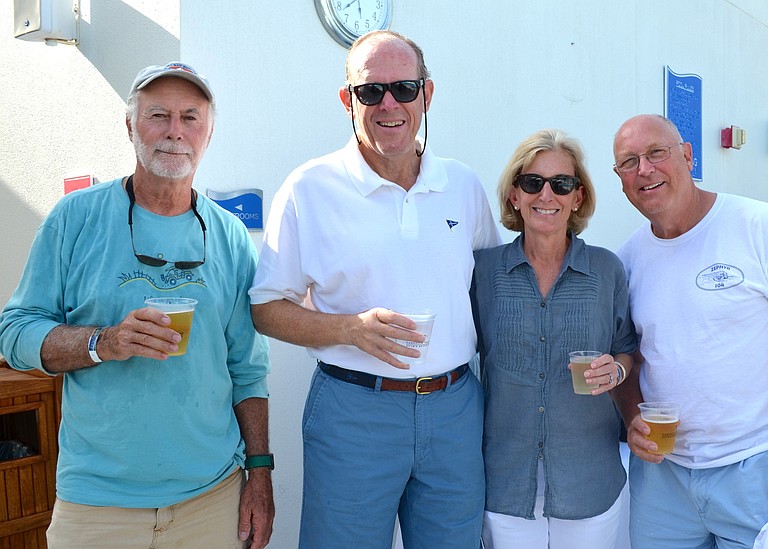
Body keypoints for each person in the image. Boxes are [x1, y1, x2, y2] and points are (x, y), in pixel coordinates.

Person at [0, 62, 274, 549]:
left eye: (191, 117)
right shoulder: (75, 219)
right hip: (97, 506)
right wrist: (102, 342)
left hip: (210, 500)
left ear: (209, 132)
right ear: (130, 125)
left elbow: (247, 369)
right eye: (158, 115)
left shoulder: (230, 235)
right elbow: (15, 333)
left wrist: (259, 473)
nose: (175, 131)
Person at [249, 30, 500, 549]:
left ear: (427, 94)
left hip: (455, 409)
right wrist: (348, 329)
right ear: (348, 101)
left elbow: (492, 289)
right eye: (371, 91)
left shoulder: (463, 185)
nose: (389, 103)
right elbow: (266, 308)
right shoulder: (308, 188)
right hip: (354, 412)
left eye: (404, 88)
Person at [612, 114, 768, 548]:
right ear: (620, 178)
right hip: (664, 479)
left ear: (687, 155)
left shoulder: (758, 225)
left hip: (759, 470)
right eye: (628, 161)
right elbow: (632, 357)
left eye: (656, 153)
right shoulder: (627, 259)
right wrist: (632, 417)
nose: (644, 169)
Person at [471, 129, 637, 548]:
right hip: (505, 479)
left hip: (589, 479)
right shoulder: (482, 272)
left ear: (577, 197)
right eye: (533, 182)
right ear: (514, 194)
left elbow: (627, 349)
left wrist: (616, 370)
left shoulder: (606, 270)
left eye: (561, 184)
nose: (547, 195)